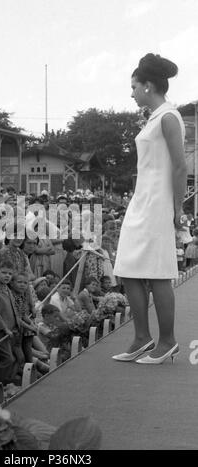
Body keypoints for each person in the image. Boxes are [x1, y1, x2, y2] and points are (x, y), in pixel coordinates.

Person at [113, 53, 187, 364]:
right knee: (128, 268)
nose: (131, 93)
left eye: (134, 86)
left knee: (158, 273)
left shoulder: (169, 117)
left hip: (158, 202)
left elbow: (180, 167)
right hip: (141, 200)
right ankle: (142, 337)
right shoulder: (154, 117)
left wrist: (177, 210)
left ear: (148, 86)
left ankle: (167, 340)